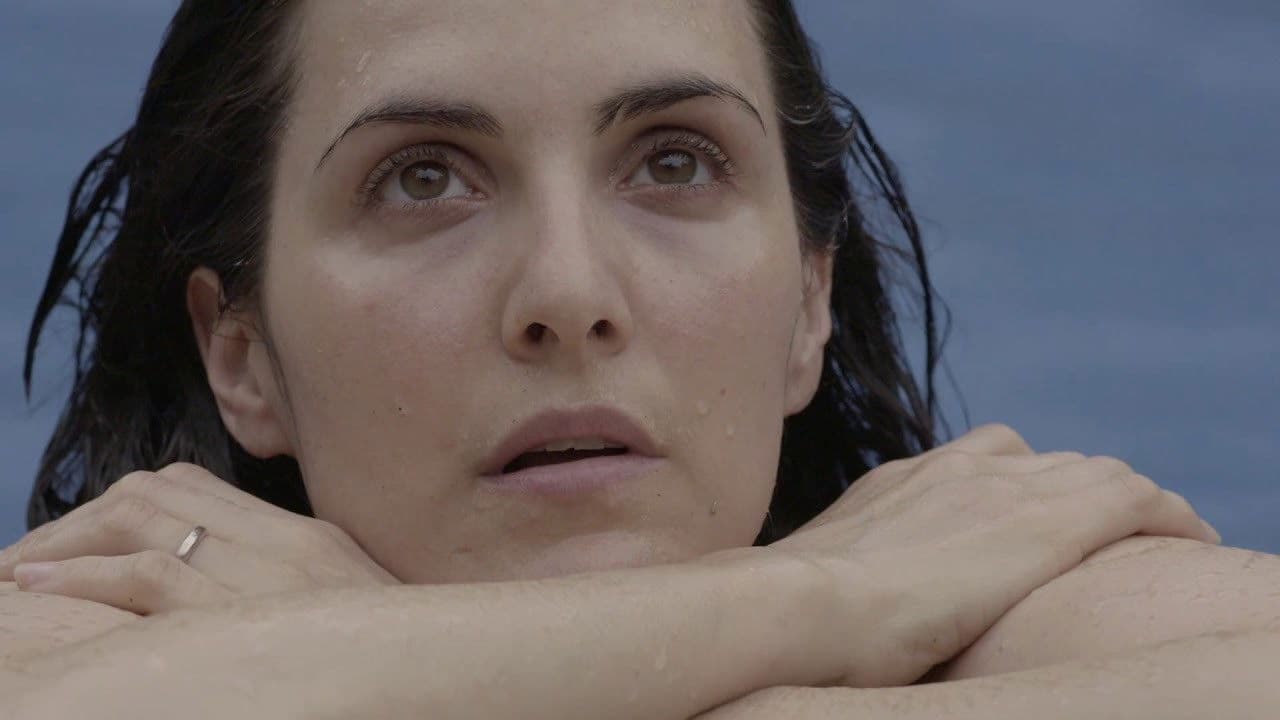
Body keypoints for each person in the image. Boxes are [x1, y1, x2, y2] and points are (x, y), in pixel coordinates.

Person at [2, 1, 1276, 717]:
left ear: (806, 305)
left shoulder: (1024, 608)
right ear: (242, 355)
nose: (567, 296)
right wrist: (822, 605)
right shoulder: (82, 615)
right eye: (424, 179)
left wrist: (363, 666)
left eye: (673, 162)